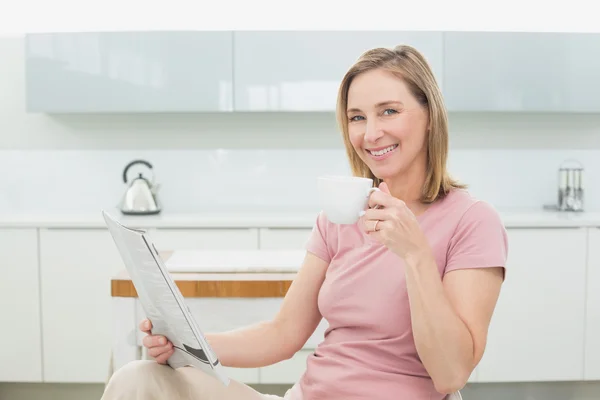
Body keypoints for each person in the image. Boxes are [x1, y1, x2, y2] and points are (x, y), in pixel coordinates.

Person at [101, 44, 508, 400]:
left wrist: (416, 254)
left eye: (389, 111)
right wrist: (187, 345)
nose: (371, 133)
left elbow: (450, 373)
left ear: (430, 115)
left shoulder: (472, 221)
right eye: (357, 117)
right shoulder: (340, 216)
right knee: (137, 381)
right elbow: (282, 335)